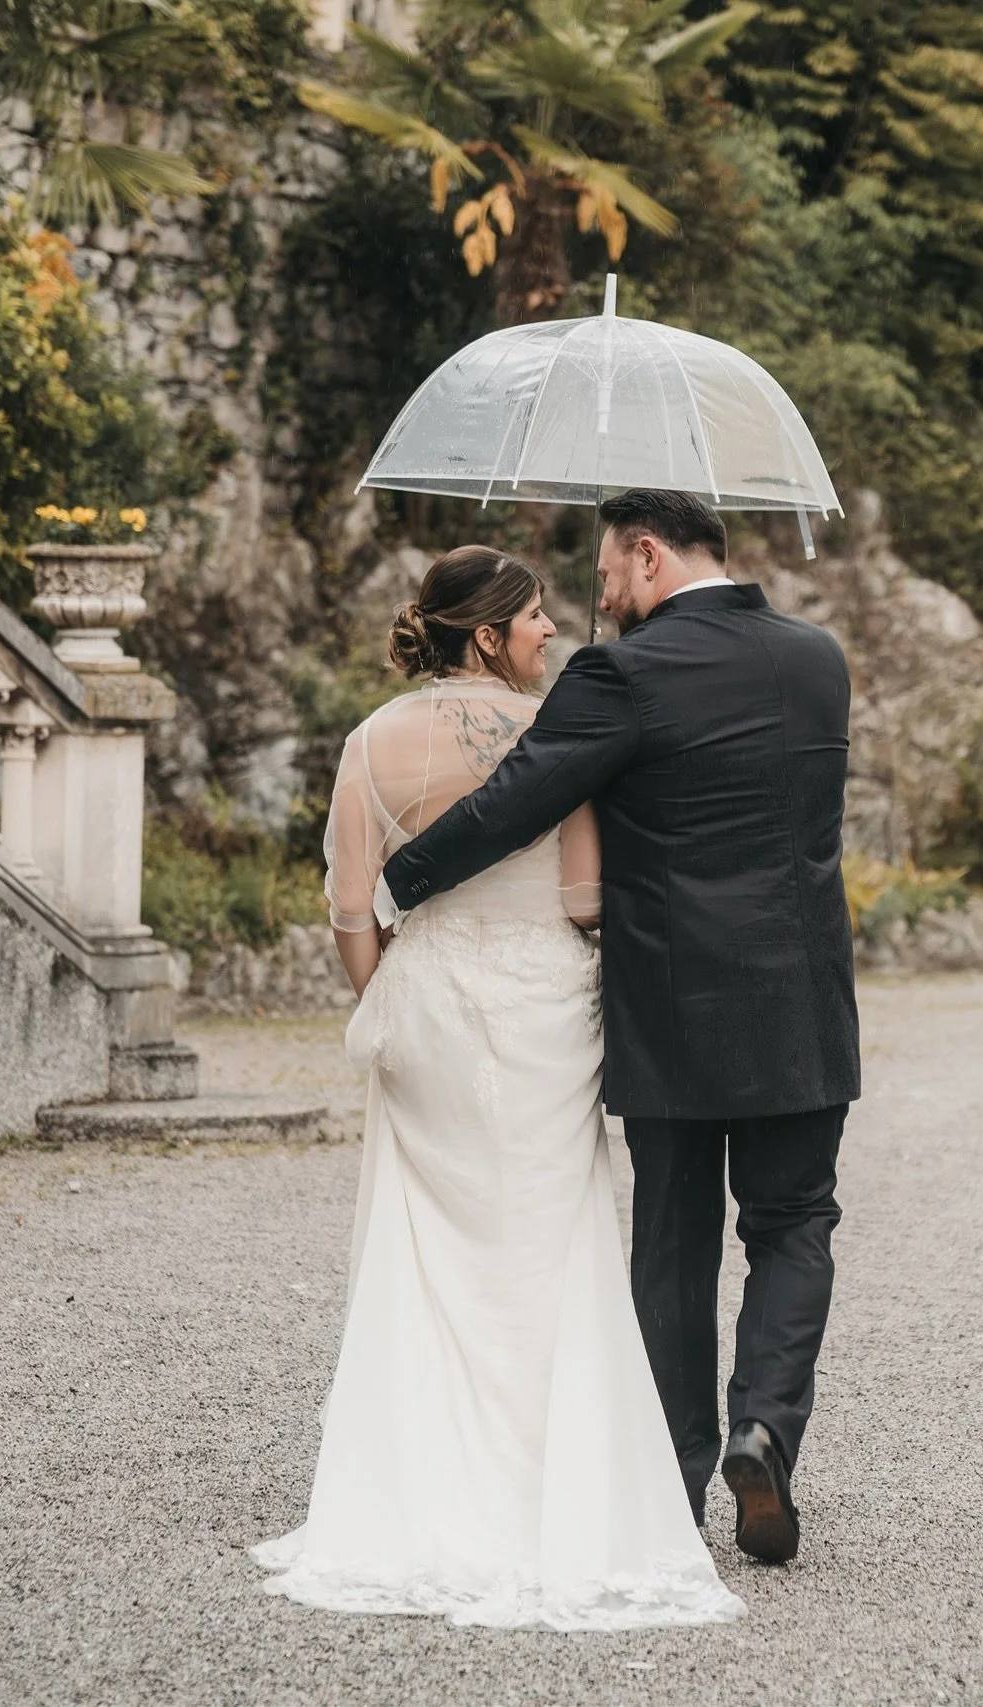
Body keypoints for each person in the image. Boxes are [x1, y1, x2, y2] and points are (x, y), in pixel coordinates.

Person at [251, 545, 742, 1630]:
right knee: (549, 1244)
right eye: (533, 620)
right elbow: (580, 901)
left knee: (423, 1252)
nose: (551, 633)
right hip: (542, 1016)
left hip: (425, 1001)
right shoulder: (559, 736)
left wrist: (394, 996)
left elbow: (350, 910)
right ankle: (555, 1489)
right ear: (487, 635)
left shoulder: (373, 738)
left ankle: (414, 1495)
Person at [376, 491, 860, 1565]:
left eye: (602, 576)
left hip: (671, 1002)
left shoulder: (618, 674)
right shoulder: (816, 659)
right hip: (799, 1000)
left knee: (673, 1243)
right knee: (793, 1223)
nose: (597, 599)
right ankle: (765, 1428)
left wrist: (398, 880)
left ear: (647, 556)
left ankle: (674, 1475)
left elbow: (520, 797)